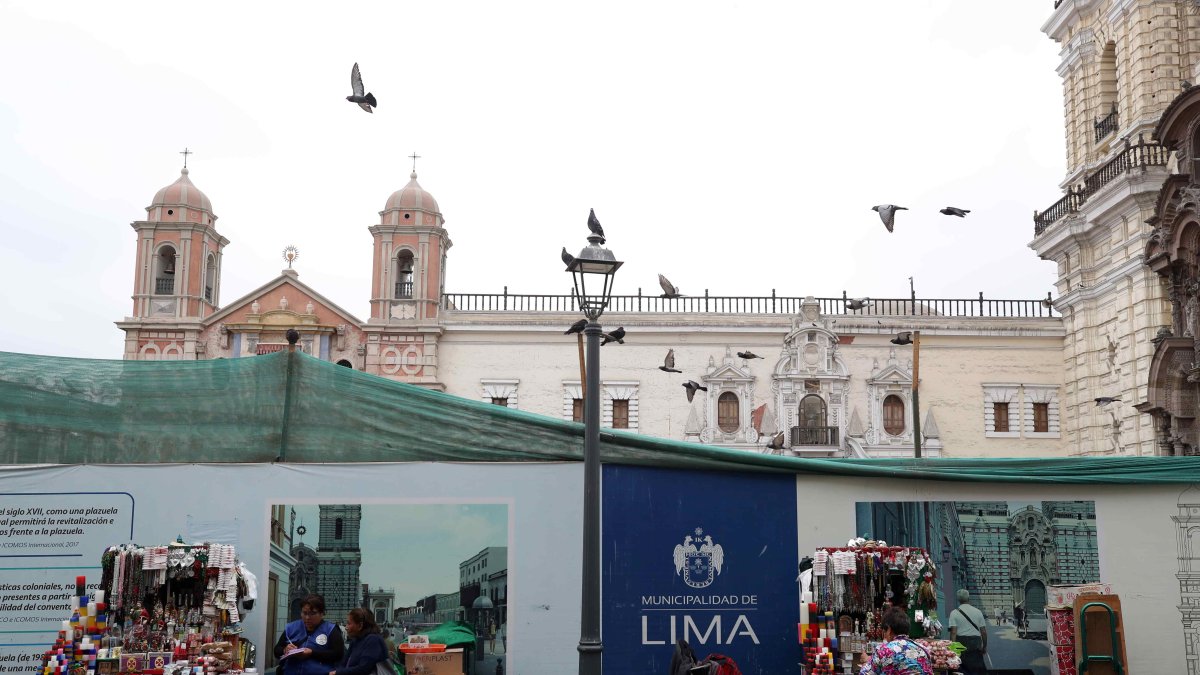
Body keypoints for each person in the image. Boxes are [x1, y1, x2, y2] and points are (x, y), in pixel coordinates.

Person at [274, 595, 345, 675]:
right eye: (304, 613)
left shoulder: (331, 630)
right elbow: (276, 650)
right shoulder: (291, 628)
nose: (307, 617)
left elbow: (338, 654)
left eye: (312, 613)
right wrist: (285, 650)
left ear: (322, 613)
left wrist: (312, 653)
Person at [858, 606, 933, 675]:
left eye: (884, 631)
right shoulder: (924, 650)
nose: (885, 636)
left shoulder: (883, 651)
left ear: (889, 630)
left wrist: (866, 664)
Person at [330, 608, 389, 675]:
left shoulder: (373, 640)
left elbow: (364, 669)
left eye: (349, 623)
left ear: (360, 626)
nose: (346, 627)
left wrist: (338, 672)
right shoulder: (355, 640)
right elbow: (344, 663)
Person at [948, 589, 987, 675]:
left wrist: (952, 649)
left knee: (961, 667)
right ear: (968, 598)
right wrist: (984, 646)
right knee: (977, 668)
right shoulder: (978, 612)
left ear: (958, 599)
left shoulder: (954, 613)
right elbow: (983, 632)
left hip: (960, 642)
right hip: (975, 642)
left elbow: (953, 632)